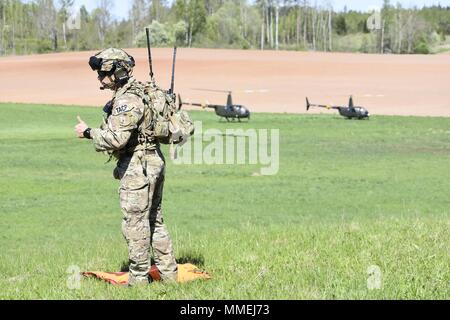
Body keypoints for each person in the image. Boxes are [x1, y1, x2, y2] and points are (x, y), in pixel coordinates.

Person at [74, 48, 178, 286]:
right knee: (155, 220)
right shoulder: (144, 91)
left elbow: (116, 139)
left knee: (135, 223)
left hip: (137, 166)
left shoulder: (126, 100)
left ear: (118, 72)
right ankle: (169, 275)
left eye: (103, 73)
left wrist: (88, 133)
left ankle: (139, 280)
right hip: (154, 161)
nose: (99, 78)